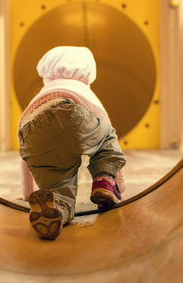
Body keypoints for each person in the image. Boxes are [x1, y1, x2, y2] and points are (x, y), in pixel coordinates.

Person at [17, 46, 127, 240]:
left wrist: (27, 192)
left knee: (58, 185)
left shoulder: (42, 93)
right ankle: (104, 181)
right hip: (72, 113)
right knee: (106, 136)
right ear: (86, 75)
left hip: (33, 131)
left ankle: (57, 207)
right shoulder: (82, 90)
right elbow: (106, 124)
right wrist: (118, 181)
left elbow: (23, 150)